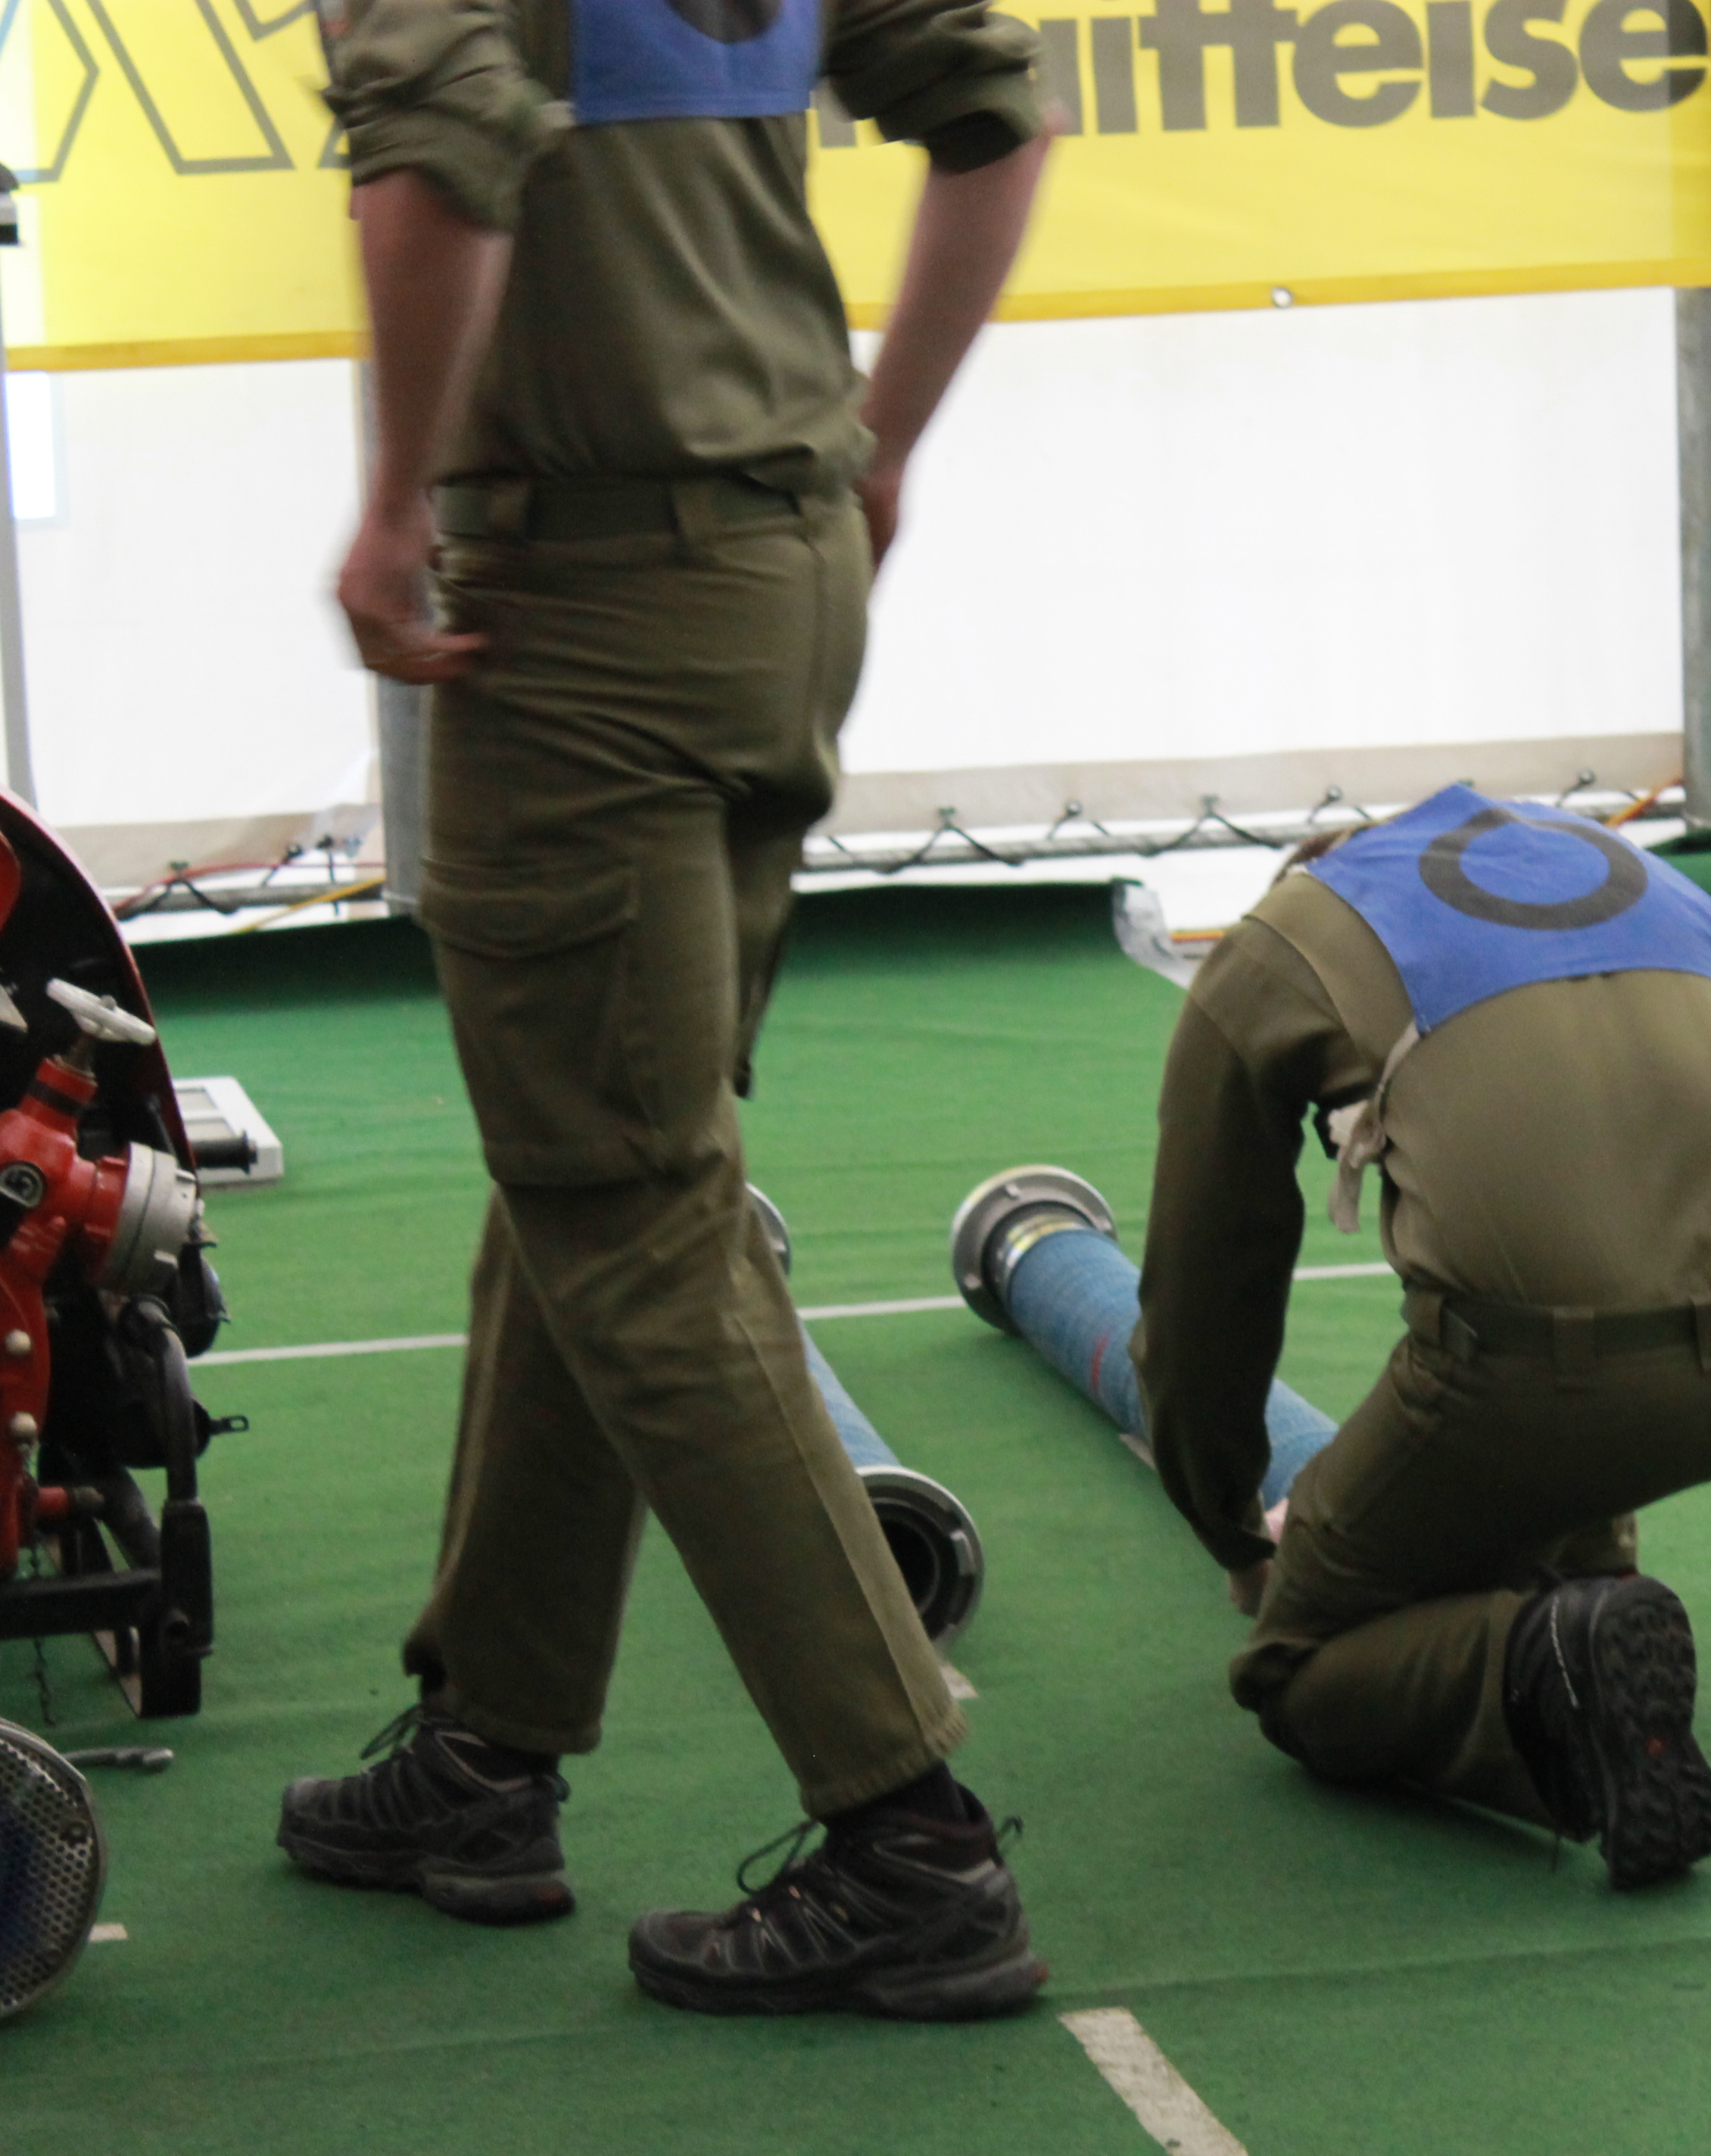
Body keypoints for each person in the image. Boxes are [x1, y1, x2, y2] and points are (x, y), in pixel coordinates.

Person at [273, 0, 1054, 2020]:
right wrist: (882, 439)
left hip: (583, 612)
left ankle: (909, 1834)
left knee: (629, 1206)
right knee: (599, 1170)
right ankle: (488, 1747)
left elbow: (443, 147)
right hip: (779, 581)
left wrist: (392, 503)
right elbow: (994, 107)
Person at [1134, 787, 1711, 1888]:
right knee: (1587, 1309)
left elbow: (1205, 1297)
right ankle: (1585, 1599)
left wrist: (1232, 1529)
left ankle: (1541, 1669)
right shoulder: (1624, 868)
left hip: (1550, 1394)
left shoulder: (1276, 950)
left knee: (1293, 1667)